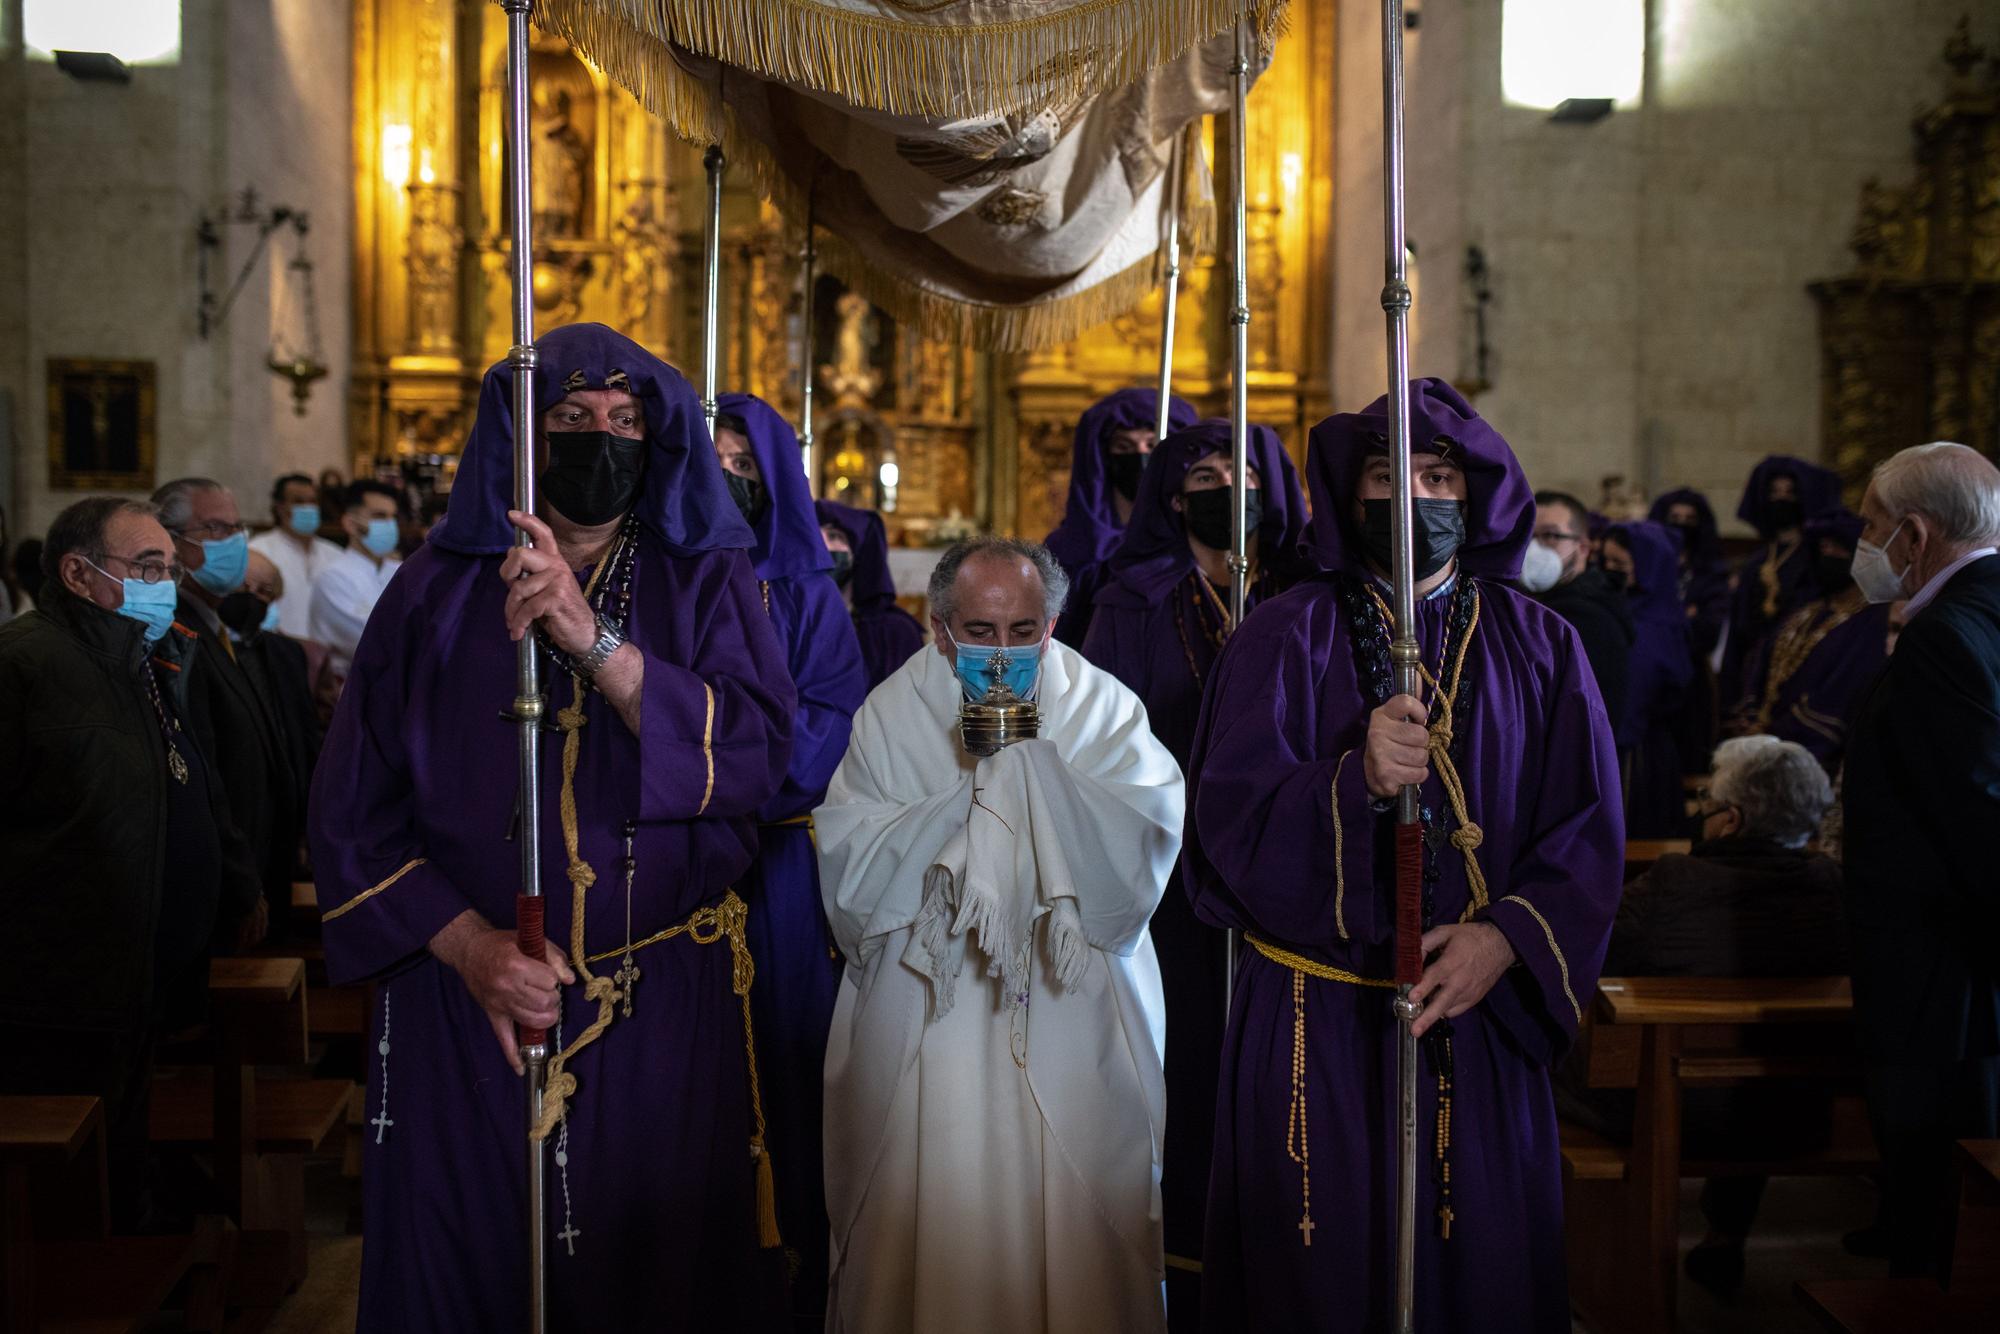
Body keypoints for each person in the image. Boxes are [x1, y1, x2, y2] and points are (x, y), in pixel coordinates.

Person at [308, 324, 797, 1331]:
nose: (600, 437)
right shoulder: (432, 593)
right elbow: (352, 812)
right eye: (570, 418)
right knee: (475, 1264)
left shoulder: (703, 581)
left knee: (650, 1276)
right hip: (469, 1009)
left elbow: (757, 755)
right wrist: (467, 942)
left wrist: (595, 643)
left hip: (659, 999)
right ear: (520, 435)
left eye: (624, 419)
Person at [1184, 378, 1623, 1332]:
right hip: (1316, 1018)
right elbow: (1226, 824)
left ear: (1479, 496)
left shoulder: (1543, 646)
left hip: (1475, 1013)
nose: (1416, 497)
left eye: (1439, 476)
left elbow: (1586, 828)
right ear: (1352, 497)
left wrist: (1505, 939)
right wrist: (1351, 784)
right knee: (1319, 1279)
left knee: (1479, 1277)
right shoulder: (1279, 636)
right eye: (1389, 475)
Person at [815, 536, 1181, 1334]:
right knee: (933, 1214)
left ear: (1052, 625)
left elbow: (1146, 844)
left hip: (1066, 1002)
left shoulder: (1104, 708)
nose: (1002, 654)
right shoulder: (890, 711)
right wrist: (974, 810)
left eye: (1023, 632)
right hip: (929, 1015)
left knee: (1075, 1228)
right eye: (979, 633)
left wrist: (1034, 777)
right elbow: (849, 867)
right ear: (941, 629)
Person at [1078, 416, 1310, 1300]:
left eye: (1242, 470)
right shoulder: (1133, 598)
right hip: (1169, 877)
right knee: (1185, 1059)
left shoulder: (1304, 593)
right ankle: (1180, 1260)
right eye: (1205, 473)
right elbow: (1096, 737)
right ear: (1173, 499)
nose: (1226, 487)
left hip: (1282, 875)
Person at [0, 498, 261, 1228]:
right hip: (52, 990)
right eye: (146, 568)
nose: (164, 585)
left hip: (132, 977)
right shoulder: (24, 664)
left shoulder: (138, 658)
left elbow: (190, 780)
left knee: (119, 1165)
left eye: (169, 570)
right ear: (78, 574)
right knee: (64, 1196)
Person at [1558, 735, 1844, 1288]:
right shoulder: (1834, 889)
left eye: (1707, 807)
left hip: (1672, 1111)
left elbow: (1591, 962)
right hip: (1797, 1110)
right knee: (1743, 1061)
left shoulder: (1671, 884)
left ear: (1730, 821)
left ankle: (1586, 1262)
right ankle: (1724, 1232)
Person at [713, 391, 869, 1325]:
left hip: (770, 858)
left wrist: (712, 778)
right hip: (674, 859)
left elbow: (829, 718)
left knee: (787, 1060)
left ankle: (799, 1266)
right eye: (710, 458)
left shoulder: (804, 591)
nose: (725, 475)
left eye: (743, 461)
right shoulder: (656, 578)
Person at [1840, 440, 2000, 1279]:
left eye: (1870, 526)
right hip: (1962, 952)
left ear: (1914, 532)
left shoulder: (1943, 632)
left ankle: (1923, 1279)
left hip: (1937, 954)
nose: (1863, 544)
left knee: (1937, 1139)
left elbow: (1975, 799)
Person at [156, 478, 297, 937]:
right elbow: (202, 769)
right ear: (171, 542)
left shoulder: (215, 626)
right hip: (216, 881)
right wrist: (240, 880)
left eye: (237, 528)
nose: (233, 542)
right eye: (215, 529)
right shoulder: (175, 633)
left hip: (254, 861)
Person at [1727, 510, 1889, 771]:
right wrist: (1752, 719)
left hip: (1811, 756)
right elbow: (1762, 663)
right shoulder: (1805, 612)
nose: (1828, 555)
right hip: (1763, 743)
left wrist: (1779, 735)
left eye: (1837, 548)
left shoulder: (1871, 619)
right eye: (1823, 547)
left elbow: (1843, 689)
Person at [1044, 388, 1197, 647]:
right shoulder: (1070, 548)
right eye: (1124, 446)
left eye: (1151, 445)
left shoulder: (1192, 543)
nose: (1139, 456)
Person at [1718, 454, 1843, 704]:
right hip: (1753, 665)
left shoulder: (1814, 559)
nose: (1781, 499)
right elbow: (1739, 630)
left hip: (1796, 664)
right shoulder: (1757, 562)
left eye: (1789, 492)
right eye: (1774, 492)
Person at [1599, 520, 1693, 836]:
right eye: (1605, 561)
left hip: (1636, 753)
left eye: (1619, 564)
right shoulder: (1616, 607)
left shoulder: (1656, 625)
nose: (1608, 570)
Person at [1530, 488, 1634, 734]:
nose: (1533, 548)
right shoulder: (1536, 603)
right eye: (1527, 535)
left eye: (1550, 536)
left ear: (1584, 548)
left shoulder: (1589, 617)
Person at [816, 498, 925, 689]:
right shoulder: (786, 617)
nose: (823, 546)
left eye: (834, 536)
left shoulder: (894, 632)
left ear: (859, 551)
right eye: (815, 535)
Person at [309, 479, 403, 681]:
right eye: (379, 516)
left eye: (392, 517)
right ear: (350, 524)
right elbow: (372, 642)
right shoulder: (332, 577)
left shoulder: (401, 571)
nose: (389, 525)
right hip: (352, 689)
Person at [249, 472, 343, 639]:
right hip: (280, 652)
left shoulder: (335, 555)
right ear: (280, 507)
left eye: (312, 501)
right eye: (298, 502)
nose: (307, 508)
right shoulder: (258, 551)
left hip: (331, 656)